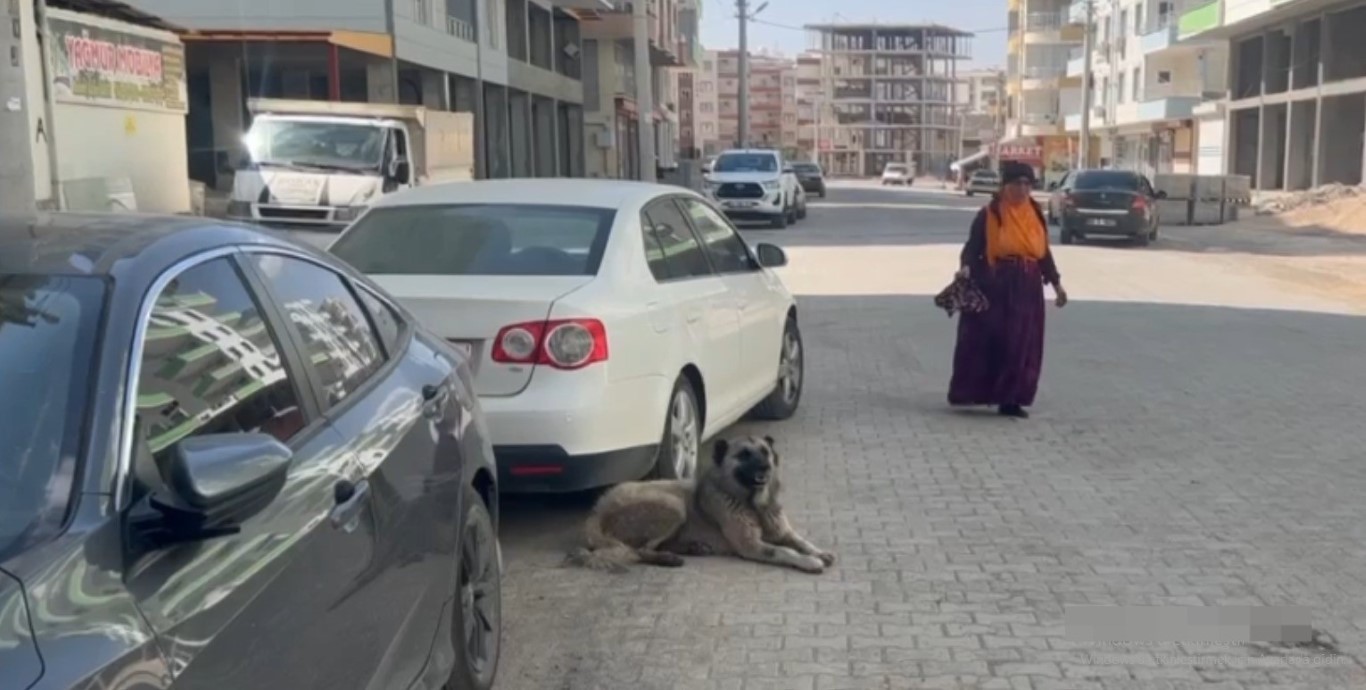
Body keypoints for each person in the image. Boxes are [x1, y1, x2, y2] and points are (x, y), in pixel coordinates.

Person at [947, 161, 1068, 419]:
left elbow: (1043, 253)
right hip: (996, 283)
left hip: (1028, 285)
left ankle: (1011, 399)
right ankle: (976, 391)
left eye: (1027, 184)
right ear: (1005, 186)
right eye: (1017, 184)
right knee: (993, 339)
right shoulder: (990, 214)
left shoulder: (1034, 213)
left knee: (1023, 343)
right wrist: (966, 267)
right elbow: (973, 247)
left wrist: (1056, 284)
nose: (1022, 190)